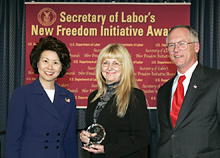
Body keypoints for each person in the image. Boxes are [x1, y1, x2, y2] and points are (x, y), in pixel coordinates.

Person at [5, 36, 78, 158]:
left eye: (55, 62)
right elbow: (12, 140)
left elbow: (69, 140)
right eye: (45, 61)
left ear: (61, 67)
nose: (50, 67)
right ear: (37, 62)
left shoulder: (68, 97)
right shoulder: (22, 94)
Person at [156, 25, 220, 158]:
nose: (176, 49)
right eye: (171, 45)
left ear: (196, 47)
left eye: (182, 44)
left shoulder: (216, 80)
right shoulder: (163, 91)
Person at [80, 43, 151, 158]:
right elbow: (97, 129)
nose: (109, 68)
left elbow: (142, 137)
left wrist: (107, 150)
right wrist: (86, 136)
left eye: (116, 63)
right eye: (106, 63)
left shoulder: (134, 96)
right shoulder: (93, 97)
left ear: (125, 67)